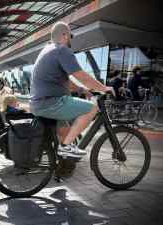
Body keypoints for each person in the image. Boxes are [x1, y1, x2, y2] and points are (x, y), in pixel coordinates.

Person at [30, 22, 114, 158]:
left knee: (66, 132)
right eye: (70, 36)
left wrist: (82, 90)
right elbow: (81, 76)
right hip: (51, 103)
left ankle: (61, 166)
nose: (70, 39)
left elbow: (65, 82)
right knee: (92, 109)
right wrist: (103, 88)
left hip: (40, 104)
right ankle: (65, 147)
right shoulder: (61, 50)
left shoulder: (48, 49)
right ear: (64, 35)